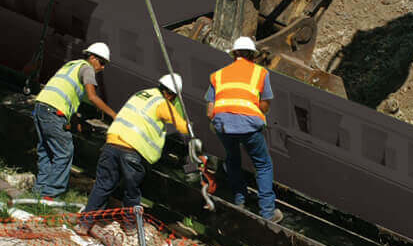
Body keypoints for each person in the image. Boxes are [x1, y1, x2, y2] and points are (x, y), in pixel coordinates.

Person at [78, 73, 188, 230]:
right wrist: (191, 128)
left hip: (112, 143)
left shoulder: (141, 94)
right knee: (132, 192)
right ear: (171, 94)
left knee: (102, 186)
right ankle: (130, 227)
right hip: (131, 150)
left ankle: (84, 224)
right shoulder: (163, 103)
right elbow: (182, 127)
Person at [206, 36, 281, 223]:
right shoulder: (260, 73)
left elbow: (209, 111)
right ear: (252, 56)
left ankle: (239, 200)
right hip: (249, 125)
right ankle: (267, 212)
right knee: (263, 165)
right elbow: (264, 105)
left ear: (234, 55)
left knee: (232, 159)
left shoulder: (219, 75)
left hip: (223, 125)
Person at [32, 43, 116, 199]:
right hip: (53, 111)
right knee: (65, 151)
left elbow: (69, 95)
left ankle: (39, 192)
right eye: (102, 62)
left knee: (47, 150)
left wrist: (75, 119)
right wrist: (114, 115)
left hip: (41, 106)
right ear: (92, 58)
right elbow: (92, 97)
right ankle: (51, 195)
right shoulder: (87, 68)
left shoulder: (72, 65)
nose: (103, 68)